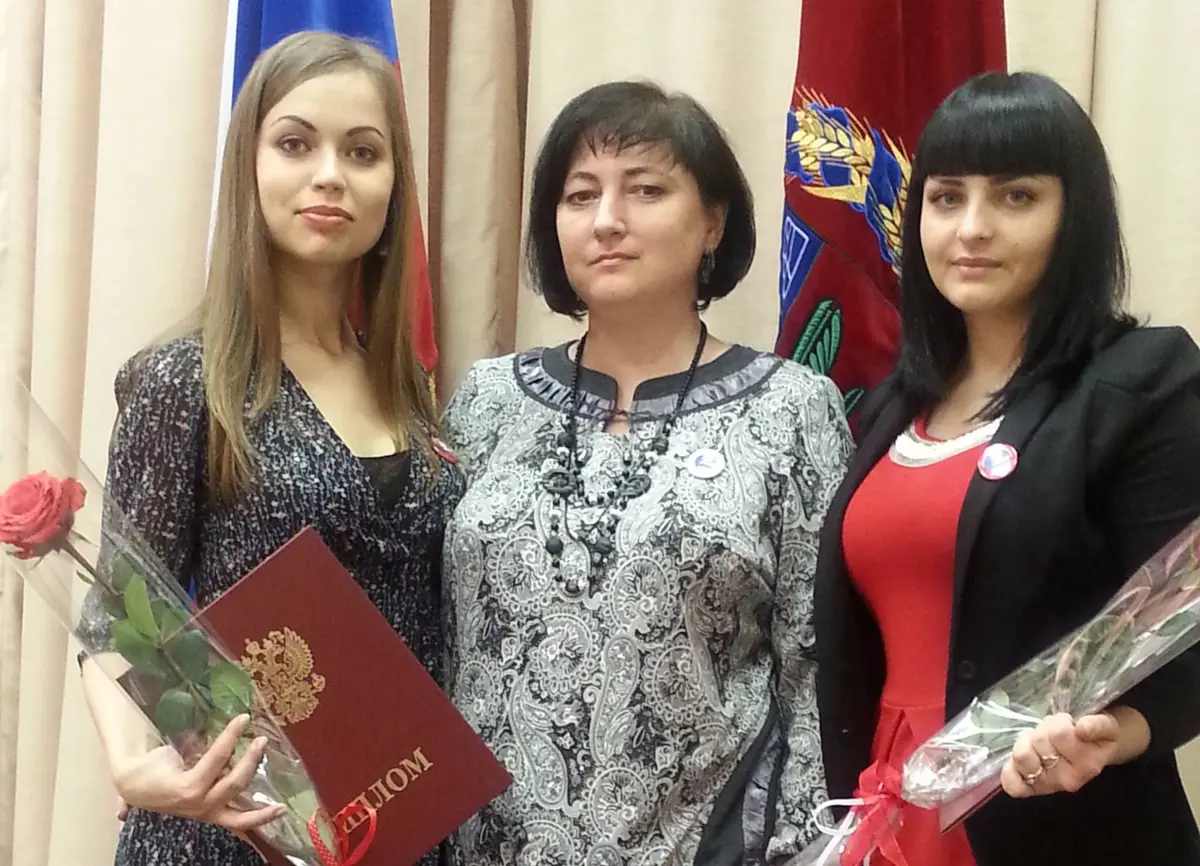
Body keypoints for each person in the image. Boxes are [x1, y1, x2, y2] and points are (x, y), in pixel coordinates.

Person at [440, 80, 853, 865]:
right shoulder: (487, 400)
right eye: (580, 195)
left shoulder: (792, 410)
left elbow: (816, 670)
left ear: (713, 222)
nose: (607, 220)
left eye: (646, 190)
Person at [78, 32, 461, 866]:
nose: (330, 174)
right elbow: (119, 612)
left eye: (362, 152)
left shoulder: (409, 387)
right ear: (248, 165)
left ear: (394, 186)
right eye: (295, 144)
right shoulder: (187, 378)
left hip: (393, 828)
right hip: (236, 829)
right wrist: (135, 765)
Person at [813, 70, 1200, 866]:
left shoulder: (1140, 384)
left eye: (1016, 196)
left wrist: (1114, 733)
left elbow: (1189, 626)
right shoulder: (890, 408)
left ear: (1075, 216)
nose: (972, 227)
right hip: (889, 809)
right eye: (946, 197)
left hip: (1056, 819)